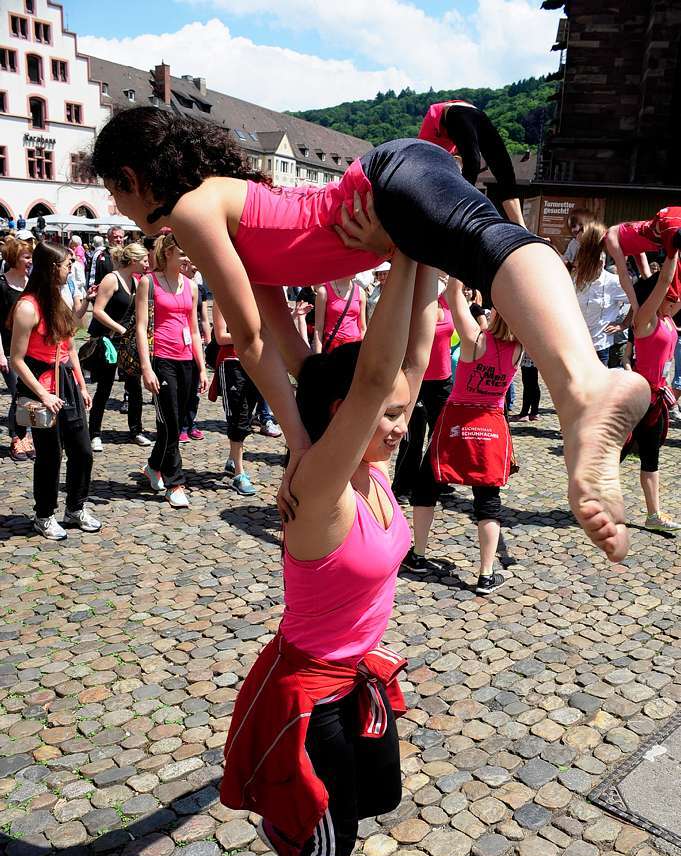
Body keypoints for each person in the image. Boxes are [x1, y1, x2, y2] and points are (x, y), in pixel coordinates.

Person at [91, 106, 651, 562]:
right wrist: (304, 442)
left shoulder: (192, 208)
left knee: (491, 246)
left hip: (382, 179)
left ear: (132, 178)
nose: (116, 204)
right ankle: (585, 393)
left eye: (114, 191)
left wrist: (302, 450)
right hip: (386, 190)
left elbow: (252, 340)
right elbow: (283, 344)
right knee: (489, 246)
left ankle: (584, 392)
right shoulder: (225, 202)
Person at [221, 254, 432, 856]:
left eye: (406, 414)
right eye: (390, 416)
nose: (402, 427)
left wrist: (425, 258)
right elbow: (371, 377)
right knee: (329, 829)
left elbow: (404, 355)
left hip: (355, 678)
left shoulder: (366, 468)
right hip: (308, 698)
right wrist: (402, 253)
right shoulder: (321, 490)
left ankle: (294, 838)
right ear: (344, 417)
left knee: (375, 795)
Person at [430, 280, 522, 594]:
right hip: (492, 424)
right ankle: (486, 574)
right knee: (488, 499)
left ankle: (417, 552)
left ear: (496, 311)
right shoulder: (520, 347)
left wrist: (459, 264)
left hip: (459, 417)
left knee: (428, 478)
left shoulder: (475, 339)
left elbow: (452, 295)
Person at [9, 241, 100, 540]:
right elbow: (17, 360)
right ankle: (44, 515)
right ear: (51, 268)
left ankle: (75, 508)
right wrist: (43, 395)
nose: (71, 268)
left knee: (83, 451)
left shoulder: (58, 300)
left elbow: (69, 345)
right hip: (42, 387)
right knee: (50, 456)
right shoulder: (27, 306)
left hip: (67, 384)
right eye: (66, 264)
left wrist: (82, 384)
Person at [135, 232, 208, 508]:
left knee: (174, 422)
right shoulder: (149, 283)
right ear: (167, 255)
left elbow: (193, 328)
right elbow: (142, 328)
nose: (188, 258)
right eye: (182, 253)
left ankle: (154, 465)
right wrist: (146, 367)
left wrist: (201, 368)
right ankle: (175, 482)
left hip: (186, 359)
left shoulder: (191, 286)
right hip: (162, 359)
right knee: (171, 421)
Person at [394, 275, 454, 571]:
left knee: (440, 437)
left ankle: (433, 482)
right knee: (412, 437)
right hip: (416, 380)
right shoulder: (416, 306)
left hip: (442, 380)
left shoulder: (451, 303)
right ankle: (402, 485)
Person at [620, 257, 681, 532]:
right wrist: (672, 252)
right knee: (615, 453)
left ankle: (653, 513)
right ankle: (589, 498)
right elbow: (664, 281)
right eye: (670, 296)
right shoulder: (644, 320)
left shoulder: (668, 319)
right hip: (638, 397)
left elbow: (668, 284)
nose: (675, 299)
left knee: (651, 456)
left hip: (657, 399)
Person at [418, 100, 526, 227]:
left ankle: (523, 228)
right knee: (500, 170)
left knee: (501, 170)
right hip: (476, 114)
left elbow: (424, 162)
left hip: (458, 112)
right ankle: (458, 215)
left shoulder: (429, 140)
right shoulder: (440, 145)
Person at [87, 242, 151, 450]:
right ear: (133, 261)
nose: (147, 263)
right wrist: (120, 329)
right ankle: (94, 432)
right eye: (144, 260)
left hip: (127, 343)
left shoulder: (135, 281)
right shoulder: (111, 279)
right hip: (109, 341)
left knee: (134, 388)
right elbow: (98, 310)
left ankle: (136, 430)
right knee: (104, 388)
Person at [209, 303, 259, 495]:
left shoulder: (254, 299)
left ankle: (232, 459)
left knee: (247, 417)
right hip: (232, 363)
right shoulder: (222, 302)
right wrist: (252, 335)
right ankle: (239, 473)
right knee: (238, 415)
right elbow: (221, 337)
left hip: (254, 362)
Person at [573, 223, 630, 366]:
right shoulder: (576, 280)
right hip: (576, 344)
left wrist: (623, 324)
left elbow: (638, 301)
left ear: (601, 264)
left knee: (597, 386)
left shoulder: (614, 282)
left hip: (600, 346)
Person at [606, 207, 681, 311]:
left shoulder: (611, 237)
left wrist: (636, 307)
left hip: (667, 225)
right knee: (653, 286)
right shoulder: (629, 236)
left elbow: (624, 276)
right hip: (666, 221)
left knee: (668, 293)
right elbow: (640, 255)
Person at [0, 235, 34, 461]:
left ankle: (26, 435)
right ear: (14, 258)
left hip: (31, 349)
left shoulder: (30, 283)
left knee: (28, 394)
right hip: (9, 350)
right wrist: (0, 354)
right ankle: (16, 438)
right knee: (17, 394)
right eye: (27, 256)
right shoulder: (2, 285)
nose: (31, 261)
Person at [179, 256, 210, 443]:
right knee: (184, 386)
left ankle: (191, 423)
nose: (196, 267)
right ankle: (181, 425)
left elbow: (204, 317)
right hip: (181, 338)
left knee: (195, 387)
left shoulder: (199, 289)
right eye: (192, 264)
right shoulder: (177, 286)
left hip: (195, 338)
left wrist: (208, 339)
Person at [313, 276, 366, 353]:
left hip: (355, 347)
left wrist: (364, 352)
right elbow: (318, 329)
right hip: (333, 347)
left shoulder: (360, 292)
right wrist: (318, 356)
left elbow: (363, 328)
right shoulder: (324, 291)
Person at [513, 353, 541, 421]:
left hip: (528, 356)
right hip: (535, 356)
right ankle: (534, 412)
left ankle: (524, 414)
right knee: (533, 384)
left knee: (528, 385)